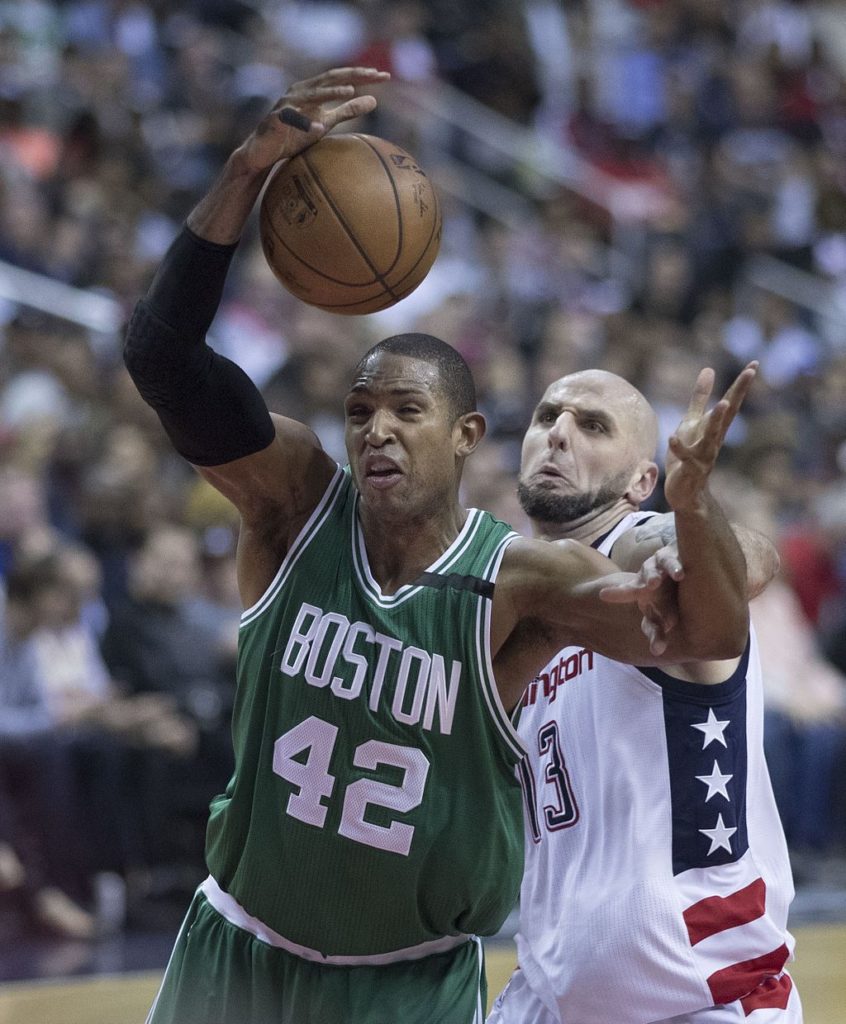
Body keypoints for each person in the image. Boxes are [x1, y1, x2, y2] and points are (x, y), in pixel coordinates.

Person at [122, 67, 750, 1024]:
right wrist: (248, 172)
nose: (375, 430)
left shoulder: (523, 581)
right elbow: (161, 355)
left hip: (405, 984)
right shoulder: (295, 506)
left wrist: (694, 507)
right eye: (359, 410)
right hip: (238, 953)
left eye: (406, 411)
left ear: (466, 435)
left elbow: (704, 635)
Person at [489, 369, 801, 1024]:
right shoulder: (524, 594)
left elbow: (750, 557)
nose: (559, 435)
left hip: (701, 999)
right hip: (550, 993)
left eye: (592, 425)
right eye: (548, 417)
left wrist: (691, 516)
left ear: (640, 482)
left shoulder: (634, 553)